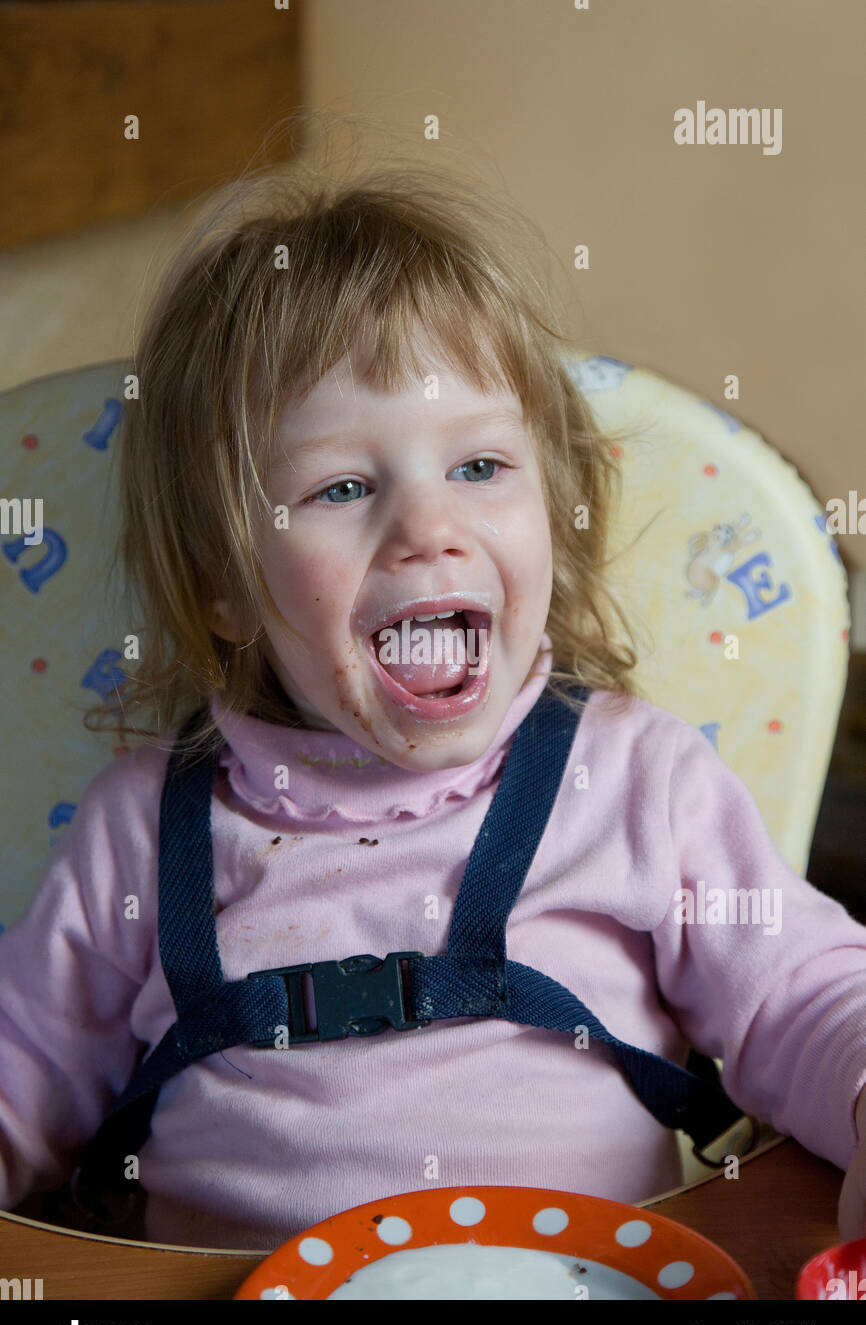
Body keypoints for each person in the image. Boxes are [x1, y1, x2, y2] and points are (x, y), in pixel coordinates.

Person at [1, 161, 865, 1254]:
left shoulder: (635, 781)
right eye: (342, 488)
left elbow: (801, 991)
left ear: (551, 509)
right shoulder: (144, 828)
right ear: (221, 581)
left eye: (478, 466)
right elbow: (21, 1063)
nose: (427, 528)